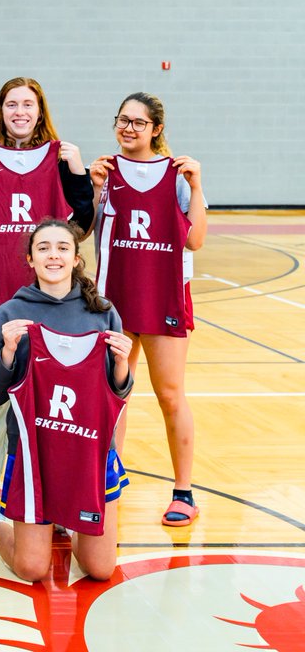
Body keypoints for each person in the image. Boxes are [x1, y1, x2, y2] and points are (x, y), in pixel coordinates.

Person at [0, 220, 133, 583]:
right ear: (30, 259)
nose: (54, 255)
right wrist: (6, 353)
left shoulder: (102, 311)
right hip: (34, 452)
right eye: (44, 248)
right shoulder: (12, 312)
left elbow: (119, 393)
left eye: (63, 248)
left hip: (88, 451)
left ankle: (65, 518)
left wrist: (124, 364)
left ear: (77, 259)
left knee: (100, 569)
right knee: (32, 568)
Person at [0, 77, 93, 512]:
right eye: (12, 104)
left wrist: (80, 173)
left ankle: (51, 486)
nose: (20, 112)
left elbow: (82, 224)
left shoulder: (61, 159)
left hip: (50, 306)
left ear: (40, 110)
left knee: (49, 399)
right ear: (0, 110)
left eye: (28, 104)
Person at [90, 92, 207, 526]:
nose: (129, 128)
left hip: (163, 297)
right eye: (123, 119)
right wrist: (94, 189)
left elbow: (195, 239)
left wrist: (196, 186)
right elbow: (84, 230)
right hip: (114, 300)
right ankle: (106, 483)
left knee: (170, 394)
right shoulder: (107, 171)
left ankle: (184, 492)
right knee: (111, 396)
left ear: (156, 129)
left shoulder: (176, 176)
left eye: (139, 122)